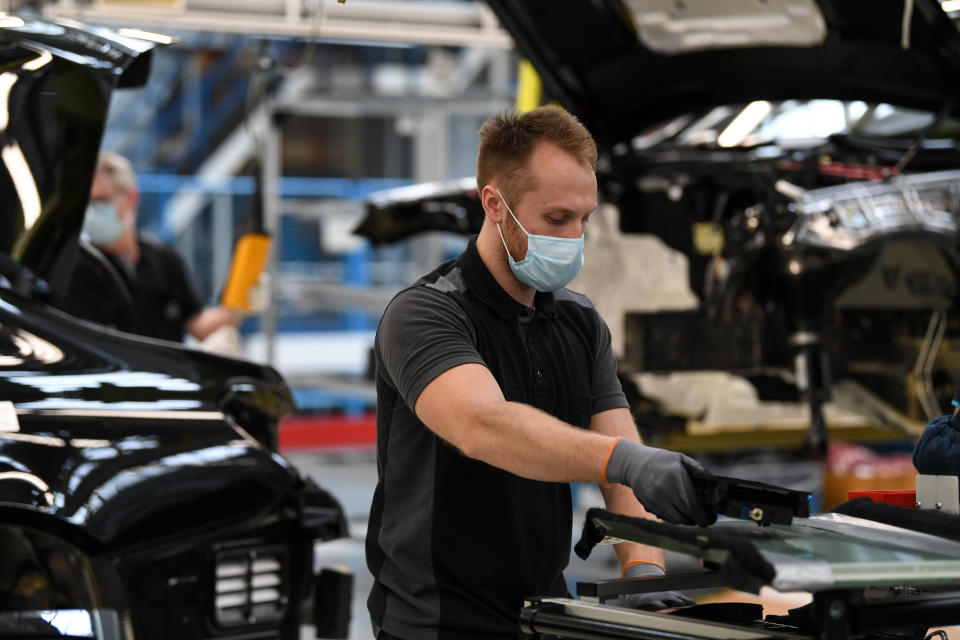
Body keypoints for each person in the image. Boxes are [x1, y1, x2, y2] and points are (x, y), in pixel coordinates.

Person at [366, 106, 716, 640]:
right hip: (437, 622)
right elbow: (482, 426)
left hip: (545, 614)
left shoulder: (579, 321)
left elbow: (617, 446)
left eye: (585, 219)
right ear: (494, 204)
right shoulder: (425, 315)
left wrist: (642, 567)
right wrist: (627, 461)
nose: (575, 237)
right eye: (557, 219)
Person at [61, 151, 238, 344]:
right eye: (87, 203)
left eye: (102, 201)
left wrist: (239, 300)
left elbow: (200, 326)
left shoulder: (164, 259)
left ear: (131, 198)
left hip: (170, 371)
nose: (92, 212)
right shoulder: (76, 269)